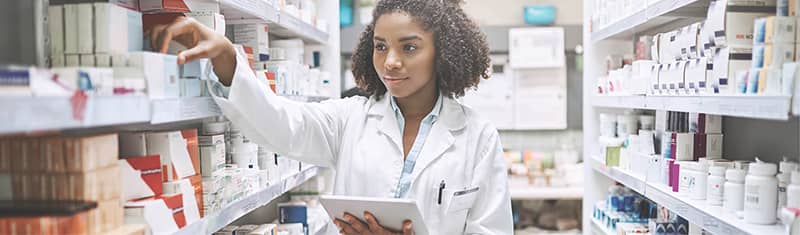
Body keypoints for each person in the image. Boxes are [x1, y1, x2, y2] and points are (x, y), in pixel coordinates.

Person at [149, 0, 512, 234]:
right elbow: (282, 124)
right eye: (381, 46)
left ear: (442, 53)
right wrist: (228, 60)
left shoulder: (477, 138)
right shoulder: (350, 118)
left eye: (410, 47)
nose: (390, 62)